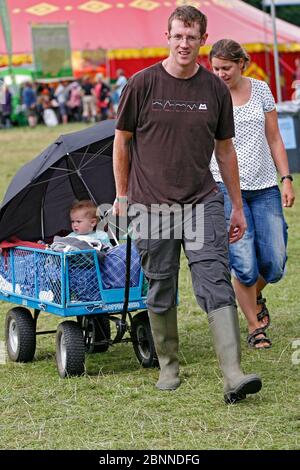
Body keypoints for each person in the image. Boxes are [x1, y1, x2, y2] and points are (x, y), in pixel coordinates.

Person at [112, 6, 262, 404]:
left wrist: (236, 205)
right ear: (168, 36)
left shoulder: (214, 90)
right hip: (151, 206)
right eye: (178, 35)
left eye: (191, 37)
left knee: (213, 279)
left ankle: (232, 373)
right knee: (160, 284)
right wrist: (123, 196)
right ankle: (169, 366)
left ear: (202, 40)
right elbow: (121, 141)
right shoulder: (142, 84)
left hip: (202, 203)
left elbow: (225, 152)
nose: (184, 43)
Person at [209, 39, 295, 349]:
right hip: (224, 186)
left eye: (226, 68)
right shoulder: (210, 94)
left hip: (264, 187)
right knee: (243, 263)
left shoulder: (261, 90)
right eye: (215, 68)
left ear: (241, 64)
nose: (220, 74)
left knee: (274, 262)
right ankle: (254, 325)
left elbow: (274, 139)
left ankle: (254, 294)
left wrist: (285, 178)